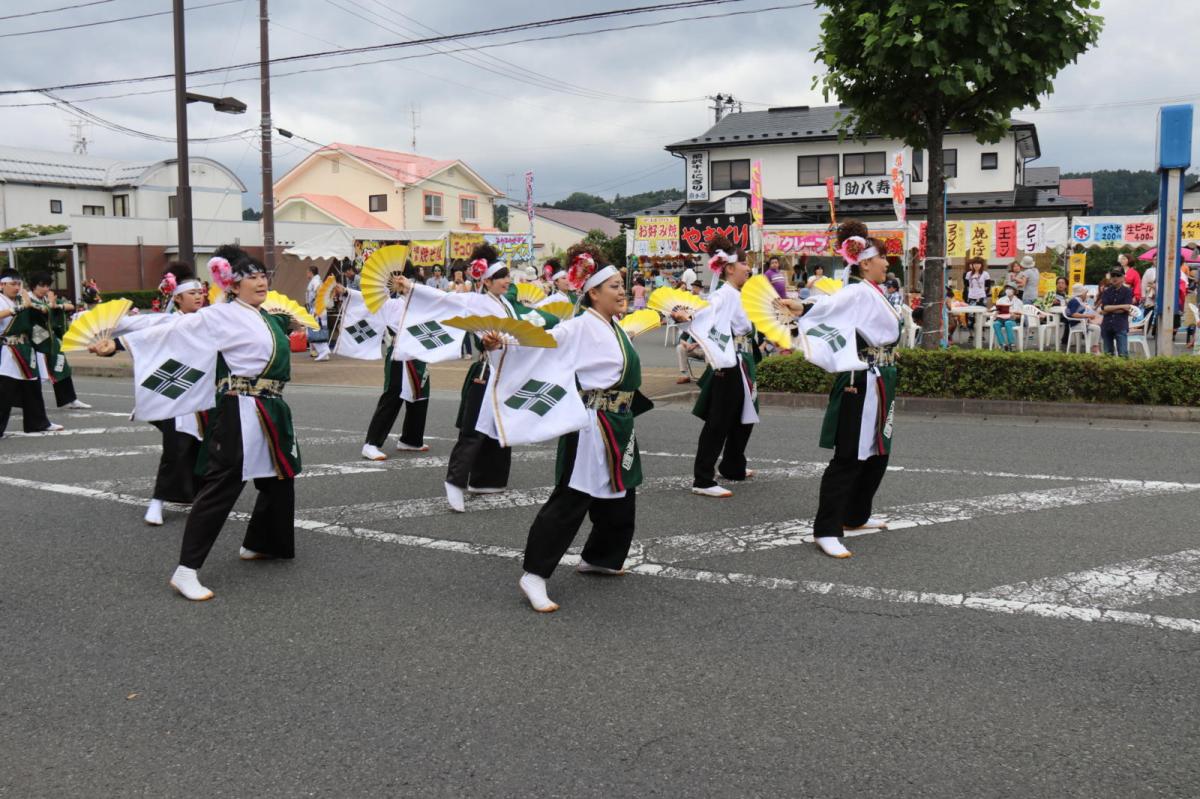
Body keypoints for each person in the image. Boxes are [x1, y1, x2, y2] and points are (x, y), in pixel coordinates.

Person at [113, 245, 302, 601]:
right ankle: (186, 571)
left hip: (270, 409)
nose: (260, 281)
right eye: (251, 276)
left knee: (280, 478)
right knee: (222, 486)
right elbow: (169, 328)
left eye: (263, 275)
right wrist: (117, 340)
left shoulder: (262, 314)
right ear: (232, 285)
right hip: (241, 409)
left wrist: (286, 322)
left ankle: (263, 543)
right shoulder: (221, 314)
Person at [500, 261, 651, 612]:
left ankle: (601, 557)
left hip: (618, 421)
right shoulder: (580, 326)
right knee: (572, 497)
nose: (622, 291)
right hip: (592, 423)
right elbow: (540, 341)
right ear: (593, 293)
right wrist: (502, 342)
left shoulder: (614, 326)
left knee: (619, 491)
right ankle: (534, 574)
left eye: (621, 285)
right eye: (613, 286)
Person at [393, 242, 558, 512]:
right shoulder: (474, 301)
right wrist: (411, 287)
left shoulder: (505, 303)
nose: (508, 281)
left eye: (507, 276)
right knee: (473, 430)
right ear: (487, 280)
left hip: (506, 371)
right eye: (502, 277)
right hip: (486, 371)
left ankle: (487, 480)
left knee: (501, 428)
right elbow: (442, 300)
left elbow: (529, 322)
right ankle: (454, 482)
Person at [788, 220, 901, 559]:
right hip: (861, 379)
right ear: (865, 261)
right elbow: (827, 307)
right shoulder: (856, 290)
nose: (887, 263)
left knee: (878, 452)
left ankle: (855, 516)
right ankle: (826, 529)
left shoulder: (874, 291)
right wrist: (801, 307)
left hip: (882, 376)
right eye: (882, 258)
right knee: (850, 455)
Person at [92, 264, 210, 525]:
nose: (199, 296)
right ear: (177, 297)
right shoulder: (164, 320)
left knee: (201, 445)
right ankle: (157, 500)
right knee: (176, 445)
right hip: (173, 389)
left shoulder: (209, 319)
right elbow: (131, 328)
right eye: (192, 292)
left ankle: (194, 494)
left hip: (203, 389)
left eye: (201, 291)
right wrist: (99, 333)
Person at [676, 234, 758, 499]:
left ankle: (733, 466)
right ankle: (702, 478)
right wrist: (688, 318)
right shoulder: (723, 294)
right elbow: (706, 310)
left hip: (743, 362)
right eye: (745, 263)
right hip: (728, 363)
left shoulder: (737, 293)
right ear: (730, 267)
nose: (749, 267)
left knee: (743, 417)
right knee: (719, 422)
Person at [0, 269, 60, 435]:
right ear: (2, 285)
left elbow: (36, 310)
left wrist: (46, 307)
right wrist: (19, 308)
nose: (17, 287)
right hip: (8, 350)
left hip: (25, 348)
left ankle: (37, 423)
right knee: (5, 392)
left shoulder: (20, 299)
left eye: (19, 283)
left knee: (32, 387)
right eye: (13, 284)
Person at [27, 272, 90, 409]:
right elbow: (41, 311)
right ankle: (19, 402)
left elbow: (70, 306)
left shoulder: (47, 299)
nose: (45, 289)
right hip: (33, 340)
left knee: (62, 367)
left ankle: (70, 399)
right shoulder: (27, 299)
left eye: (47, 286)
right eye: (42, 285)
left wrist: (56, 306)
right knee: (29, 375)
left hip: (49, 339)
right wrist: (51, 305)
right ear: (33, 286)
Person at [1098, 267, 1134, 357]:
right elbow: (1105, 308)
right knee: (1108, 354)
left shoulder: (1128, 291)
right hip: (1107, 325)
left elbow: (1128, 307)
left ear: (1123, 278)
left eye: (1118, 275)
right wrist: (1121, 306)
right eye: (1113, 275)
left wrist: (1110, 309)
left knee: (1123, 354)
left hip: (1120, 324)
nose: (1115, 278)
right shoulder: (1106, 291)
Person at [1064, 283, 1102, 351]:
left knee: (1098, 326)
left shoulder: (1079, 301)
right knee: (1096, 328)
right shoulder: (1074, 301)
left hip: (1082, 322)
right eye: (1085, 293)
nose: (1086, 295)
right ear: (1081, 294)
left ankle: (1093, 345)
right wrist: (1088, 316)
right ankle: (1094, 347)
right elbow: (1073, 314)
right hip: (1076, 324)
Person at [991, 285, 1023, 351]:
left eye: (1010, 288)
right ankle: (1002, 344)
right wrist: (994, 312)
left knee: (1008, 323)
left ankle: (1012, 344)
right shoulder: (1001, 300)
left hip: (1011, 320)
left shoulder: (1019, 301)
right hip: (1001, 319)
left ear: (1014, 291)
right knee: (995, 324)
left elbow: (1021, 314)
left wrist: (1015, 315)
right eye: (1007, 288)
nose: (1008, 290)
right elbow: (995, 309)